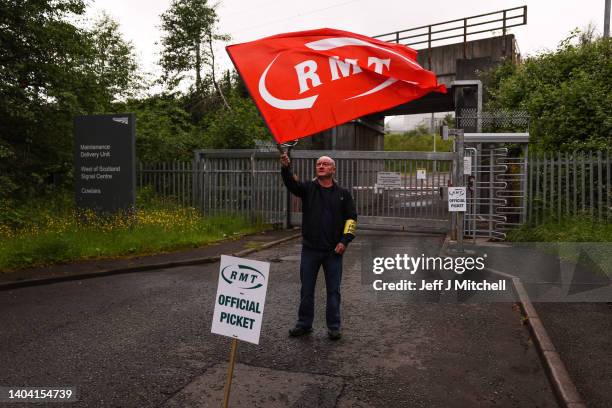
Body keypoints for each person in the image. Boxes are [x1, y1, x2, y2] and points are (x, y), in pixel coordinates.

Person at [280, 152, 357, 340]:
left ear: (333, 169)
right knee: (306, 290)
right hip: (310, 250)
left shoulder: (343, 194)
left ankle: (334, 326)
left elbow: (351, 219)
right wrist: (285, 167)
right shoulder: (308, 188)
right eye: (318, 164)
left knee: (333, 291)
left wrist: (344, 241)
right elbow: (291, 184)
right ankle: (304, 324)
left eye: (325, 164)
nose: (321, 166)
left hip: (334, 252)